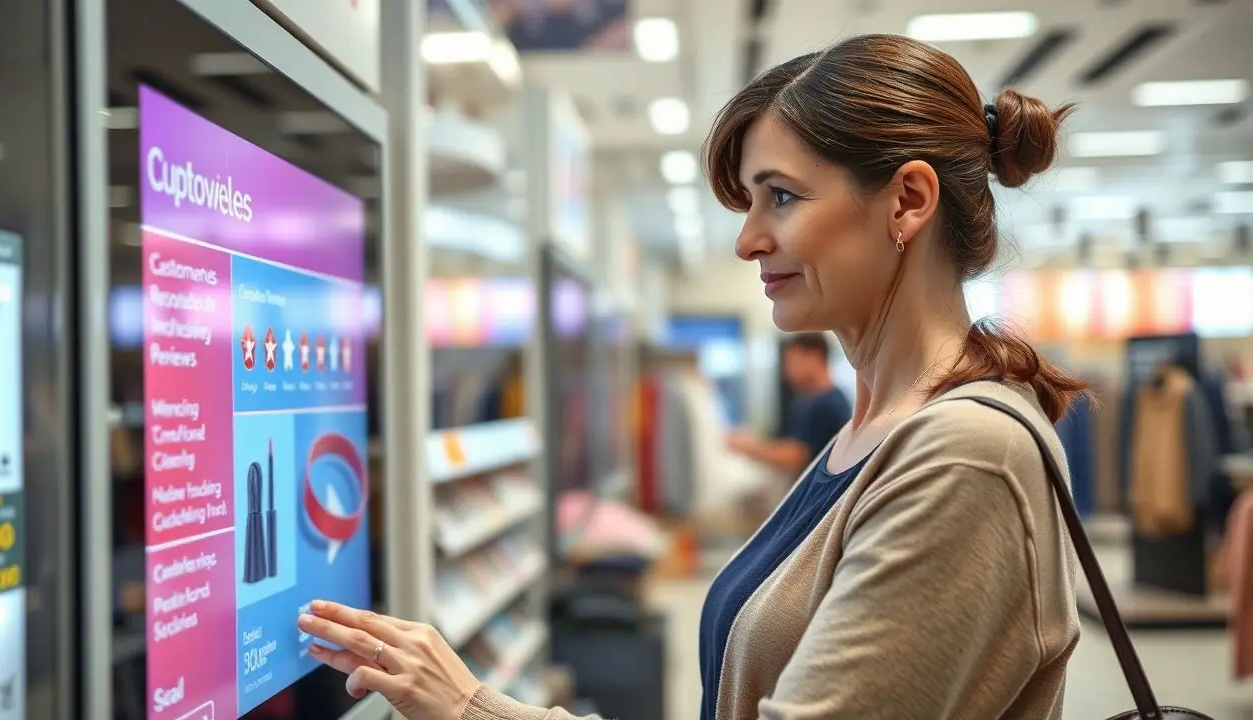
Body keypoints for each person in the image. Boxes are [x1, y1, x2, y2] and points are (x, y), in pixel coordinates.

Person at [296, 33, 1084, 719]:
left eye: (780, 196)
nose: (747, 241)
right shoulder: (870, 435)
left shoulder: (964, 459)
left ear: (907, 200)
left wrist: (477, 711)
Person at [727, 333, 850, 474]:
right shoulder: (807, 401)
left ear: (815, 358)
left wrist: (749, 447)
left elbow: (795, 457)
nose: (787, 371)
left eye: (791, 362)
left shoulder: (829, 404)